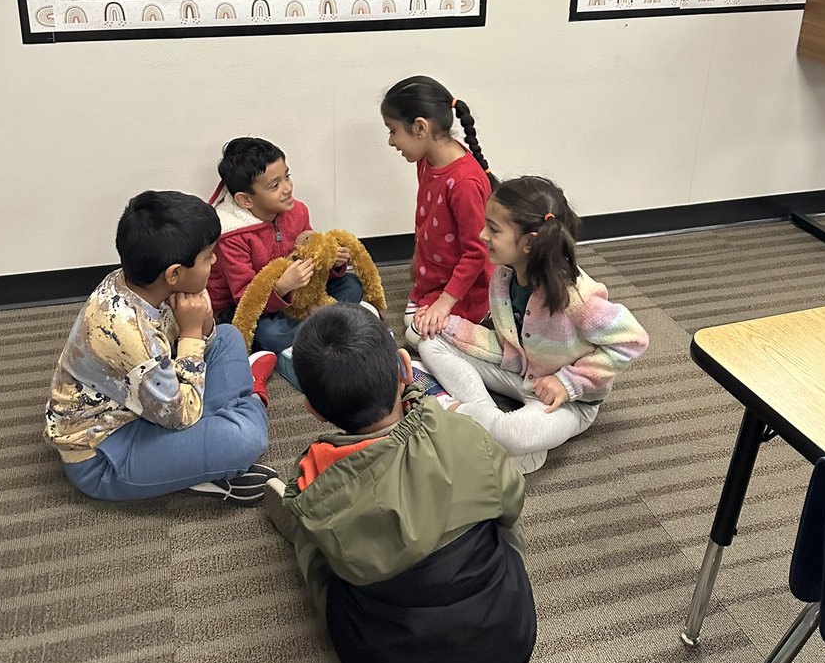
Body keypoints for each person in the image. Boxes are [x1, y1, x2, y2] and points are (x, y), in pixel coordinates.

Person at [263, 303, 536, 663]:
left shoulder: (316, 480)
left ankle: (294, 519)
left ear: (314, 411)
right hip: (511, 648)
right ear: (407, 368)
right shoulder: (464, 432)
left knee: (313, 536)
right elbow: (512, 504)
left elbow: (342, 564)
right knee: (496, 515)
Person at [44, 190, 276, 504]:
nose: (215, 260)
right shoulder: (130, 336)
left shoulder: (138, 282)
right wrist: (192, 332)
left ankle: (225, 421)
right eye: (208, 256)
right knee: (247, 439)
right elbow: (181, 415)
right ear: (175, 274)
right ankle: (250, 401)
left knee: (228, 337)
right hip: (104, 455)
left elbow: (196, 346)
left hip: (147, 402)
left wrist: (203, 324)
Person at [417, 176, 649, 475]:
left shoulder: (577, 296)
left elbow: (632, 340)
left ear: (529, 242)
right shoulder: (504, 277)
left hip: (567, 402)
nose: (483, 235)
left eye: (493, 229)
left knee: (516, 434)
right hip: (518, 369)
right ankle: (486, 420)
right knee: (428, 338)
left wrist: (568, 383)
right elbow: (508, 341)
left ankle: (454, 412)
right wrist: (445, 324)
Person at [206, 136, 365, 386]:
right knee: (269, 334)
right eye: (275, 185)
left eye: (287, 176)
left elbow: (311, 253)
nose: (288, 187)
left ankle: (312, 327)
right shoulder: (231, 236)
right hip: (246, 307)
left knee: (352, 285)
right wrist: (281, 287)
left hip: (297, 296)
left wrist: (332, 263)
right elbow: (245, 297)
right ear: (245, 200)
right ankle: (322, 328)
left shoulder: (297, 210)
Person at [380, 75, 496, 343]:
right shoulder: (426, 160)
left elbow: (477, 252)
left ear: (420, 127)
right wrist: (418, 257)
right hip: (433, 277)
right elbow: (427, 218)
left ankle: (483, 323)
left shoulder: (464, 182)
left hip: (467, 289)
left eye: (392, 131)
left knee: (415, 333)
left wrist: (445, 302)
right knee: (414, 325)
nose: (391, 141)